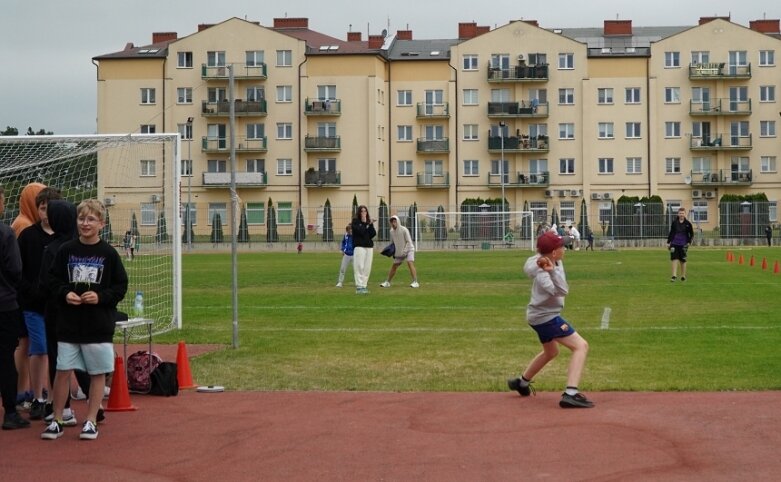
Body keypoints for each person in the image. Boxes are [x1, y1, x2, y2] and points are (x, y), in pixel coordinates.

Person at [42, 200, 128, 441]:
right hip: (69, 324)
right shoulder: (65, 250)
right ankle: (57, 418)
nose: (85, 223)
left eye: (91, 219)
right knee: (62, 370)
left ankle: (91, 420)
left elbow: (120, 286)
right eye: (81, 219)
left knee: (97, 372)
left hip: (98, 325)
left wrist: (100, 297)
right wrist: (65, 293)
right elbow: (52, 280)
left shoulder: (109, 253)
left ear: (101, 223)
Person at [507, 231, 594, 409]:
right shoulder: (543, 274)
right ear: (554, 252)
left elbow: (533, 261)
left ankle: (522, 383)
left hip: (539, 315)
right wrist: (550, 271)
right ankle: (571, 393)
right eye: (562, 246)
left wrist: (549, 265)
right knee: (581, 346)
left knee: (551, 352)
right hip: (546, 318)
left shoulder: (549, 259)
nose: (565, 248)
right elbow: (562, 290)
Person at [16, 187, 62, 420]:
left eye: (50, 209)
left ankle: (55, 398)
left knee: (57, 350)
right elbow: (18, 270)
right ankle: (37, 397)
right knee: (40, 347)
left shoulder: (65, 237)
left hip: (57, 305)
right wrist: (29, 291)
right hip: (33, 305)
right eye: (42, 208)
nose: (46, 213)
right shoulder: (28, 236)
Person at [39, 200, 80, 427]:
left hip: (57, 311)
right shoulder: (79, 245)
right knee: (83, 354)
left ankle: (63, 408)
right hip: (81, 309)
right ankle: (96, 406)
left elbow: (45, 284)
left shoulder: (53, 249)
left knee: (59, 358)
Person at [11, 182, 46, 412]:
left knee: (27, 343)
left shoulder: (25, 222)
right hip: (22, 295)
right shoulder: (23, 226)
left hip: (22, 293)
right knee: (26, 344)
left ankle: (26, 388)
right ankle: (24, 389)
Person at [0, 184, 31, 430]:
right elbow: (15, 270)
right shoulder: (6, 233)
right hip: (4, 304)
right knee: (5, 359)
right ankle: (10, 412)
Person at [379, 215, 419, 288]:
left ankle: (415, 282)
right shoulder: (391, 231)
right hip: (400, 252)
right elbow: (393, 243)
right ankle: (387, 282)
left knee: (409, 262)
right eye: (392, 222)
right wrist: (391, 251)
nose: (393, 223)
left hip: (409, 249)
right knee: (394, 266)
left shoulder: (404, 230)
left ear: (397, 222)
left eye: (394, 221)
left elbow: (409, 242)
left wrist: (404, 251)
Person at [351, 205, 376, 295]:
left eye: (365, 211)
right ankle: (359, 286)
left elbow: (372, 234)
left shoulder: (368, 223)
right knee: (359, 266)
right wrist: (366, 224)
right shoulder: (355, 222)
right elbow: (360, 231)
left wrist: (371, 224)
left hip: (369, 247)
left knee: (367, 268)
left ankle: (364, 285)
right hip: (359, 247)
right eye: (362, 211)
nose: (363, 213)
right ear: (359, 212)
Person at [666, 207, 694, 282]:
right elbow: (671, 232)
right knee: (674, 259)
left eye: (683, 213)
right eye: (680, 213)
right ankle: (674, 276)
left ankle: (683, 276)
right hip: (674, 243)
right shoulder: (674, 222)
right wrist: (668, 242)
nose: (681, 215)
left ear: (685, 214)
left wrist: (689, 242)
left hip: (684, 244)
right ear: (678, 214)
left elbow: (691, 234)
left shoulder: (688, 224)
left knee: (683, 260)